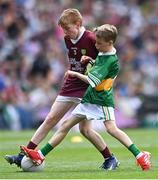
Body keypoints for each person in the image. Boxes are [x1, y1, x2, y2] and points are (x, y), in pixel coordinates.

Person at [20, 24, 151, 171]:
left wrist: (74, 73)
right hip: (90, 98)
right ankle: (40, 154)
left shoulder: (110, 59)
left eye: (99, 43)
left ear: (110, 43)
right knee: (66, 125)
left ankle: (140, 155)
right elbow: (99, 65)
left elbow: (92, 80)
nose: (96, 45)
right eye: (96, 42)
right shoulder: (105, 53)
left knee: (111, 129)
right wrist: (90, 60)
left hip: (102, 100)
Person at [5, 9, 119, 170]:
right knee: (50, 118)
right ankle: (24, 154)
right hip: (71, 84)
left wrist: (100, 77)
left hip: (87, 87)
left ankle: (110, 158)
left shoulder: (92, 38)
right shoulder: (67, 39)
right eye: (63, 30)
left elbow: (107, 59)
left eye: (68, 29)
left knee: (85, 130)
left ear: (78, 24)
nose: (65, 33)